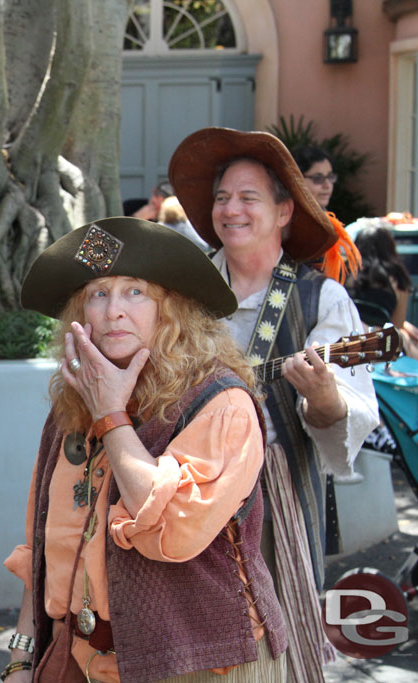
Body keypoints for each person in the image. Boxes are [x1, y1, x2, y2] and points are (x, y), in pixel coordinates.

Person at [3, 217, 287, 682]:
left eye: (135, 291)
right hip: (78, 660)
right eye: (98, 293)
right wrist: (20, 657)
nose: (114, 310)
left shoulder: (221, 405)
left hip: (199, 667)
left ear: (171, 309)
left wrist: (112, 416)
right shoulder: (71, 408)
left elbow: (172, 534)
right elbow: (44, 546)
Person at [169, 127, 380, 681]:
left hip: (271, 508)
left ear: (285, 211)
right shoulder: (180, 297)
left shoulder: (321, 299)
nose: (229, 210)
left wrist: (325, 397)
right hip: (177, 499)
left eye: (247, 197)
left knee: (270, 655)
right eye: (221, 198)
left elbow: (351, 415)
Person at [291, 145, 360, 285]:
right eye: (318, 178)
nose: (327, 185)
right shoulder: (288, 222)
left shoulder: (327, 220)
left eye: (330, 177)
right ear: (296, 180)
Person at [348, 225, 418, 356]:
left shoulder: (347, 275)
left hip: (349, 339)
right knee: (406, 338)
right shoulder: (398, 279)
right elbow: (397, 325)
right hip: (382, 344)